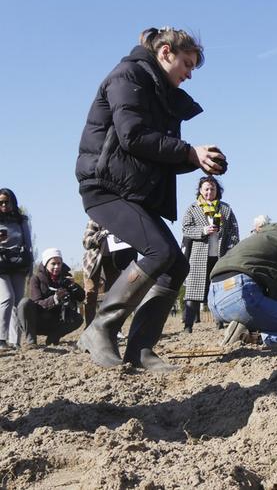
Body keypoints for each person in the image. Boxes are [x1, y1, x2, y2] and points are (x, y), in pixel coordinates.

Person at [75, 27, 227, 371]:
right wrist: (189, 153)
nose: (189, 74)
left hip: (128, 189)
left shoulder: (157, 91)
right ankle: (101, 328)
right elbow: (132, 136)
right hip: (104, 187)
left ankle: (140, 350)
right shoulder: (127, 76)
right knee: (159, 251)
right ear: (166, 53)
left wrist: (199, 161)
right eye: (187, 64)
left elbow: (155, 153)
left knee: (175, 263)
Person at [181, 176, 239, 332]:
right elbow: (185, 229)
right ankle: (188, 325)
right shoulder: (192, 208)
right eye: (206, 188)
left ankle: (220, 322)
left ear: (217, 191)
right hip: (198, 256)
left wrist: (231, 249)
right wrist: (203, 230)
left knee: (219, 289)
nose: (209, 192)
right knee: (193, 291)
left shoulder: (226, 209)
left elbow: (234, 231)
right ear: (200, 190)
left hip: (221, 255)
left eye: (212, 189)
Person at [18, 248, 84, 346]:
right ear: (46, 264)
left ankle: (53, 337)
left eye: (59, 263)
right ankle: (31, 341)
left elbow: (81, 297)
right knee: (25, 302)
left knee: (78, 318)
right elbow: (37, 302)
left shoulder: (66, 279)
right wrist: (55, 299)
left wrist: (73, 285)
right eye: (53, 264)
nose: (57, 267)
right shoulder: (35, 279)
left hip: (56, 320)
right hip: (38, 320)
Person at [81, 219, 137, 327]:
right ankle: (89, 328)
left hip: (113, 260)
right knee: (90, 294)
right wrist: (103, 234)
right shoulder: (95, 219)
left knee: (115, 294)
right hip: (93, 261)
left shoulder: (120, 219)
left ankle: (114, 328)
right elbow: (86, 242)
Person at [0, 188, 34, 349]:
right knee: (7, 297)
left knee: (18, 303)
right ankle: (1, 338)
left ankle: (15, 341)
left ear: (13, 202)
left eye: (7, 201)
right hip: (1, 265)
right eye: (1, 202)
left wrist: (31, 266)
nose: (4, 205)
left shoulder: (21, 220)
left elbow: (28, 244)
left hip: (18, 264)